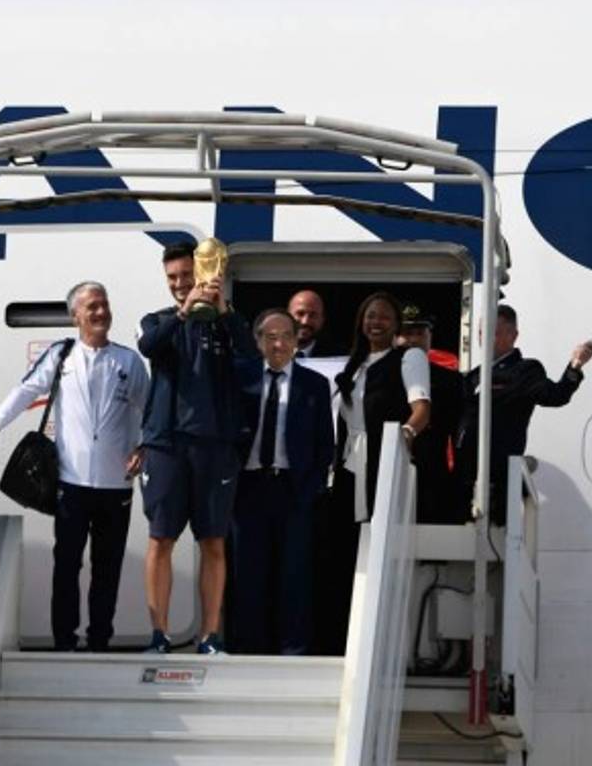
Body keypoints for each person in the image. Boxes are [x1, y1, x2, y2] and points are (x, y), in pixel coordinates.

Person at [0, 281, 149, 652]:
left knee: (107, 569)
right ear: (76, 315)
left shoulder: (129, 361)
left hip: (116, 485)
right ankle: (64, 641)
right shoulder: (62, 355)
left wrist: (145, 445)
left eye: (104, 304)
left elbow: (150, 410)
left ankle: (100, 641)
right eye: (92, 307)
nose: (101, 312)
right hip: (71, 483)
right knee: (67, 565)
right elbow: (26, 390)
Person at [137, 241, 256, 655]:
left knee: (214, 542)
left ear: (203, 272)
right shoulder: (159, 320)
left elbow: (253, 360)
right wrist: (186, 310)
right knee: (161, 539)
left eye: (187, 275)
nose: (180, 284)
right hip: (166, 446)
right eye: (172, 278)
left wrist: (222, 310)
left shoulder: (227, 322)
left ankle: (208, 635)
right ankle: (159, 634)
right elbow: (148, 347)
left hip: (216, 447)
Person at [313, 291, 431, 656]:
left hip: (382, 464)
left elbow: (421, 409)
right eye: (369, 317)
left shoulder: (407, 357)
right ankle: (338, 639)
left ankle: (377, 642)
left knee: (376, 551)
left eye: (382, 317)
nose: (375, 323)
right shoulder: (355, 363)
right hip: (348, 468)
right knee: (341, 552)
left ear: (395, 323)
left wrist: (405, 437)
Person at [231, 309, 334, 655]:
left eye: (286, 336)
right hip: (248, 488)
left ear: (295, 340)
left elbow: (325, 444)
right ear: (258, 341)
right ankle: (248, 648)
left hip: (294, 489)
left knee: (295, 573)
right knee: (248, 571)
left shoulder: (315, 385)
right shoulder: (240, 378)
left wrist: (313, 487)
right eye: (270, 336)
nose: (279, 343)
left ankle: (294, 648)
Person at [456, 304, 592, 524]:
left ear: (514, 335)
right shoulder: (472, 376)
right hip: (464, 475)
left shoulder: (524, 371)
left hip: (497, 477)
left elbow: (555, 396)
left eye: (495, 331)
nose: (485, 338)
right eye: (482, 332)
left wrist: (575, 365)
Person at [396, 305, 465, 524]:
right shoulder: (381, 373)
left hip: (433, 468)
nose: (414, 340)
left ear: (430, 336)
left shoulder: (451, 380)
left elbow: (457, 430)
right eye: (407, 333)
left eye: (420, 333)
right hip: (390, 463)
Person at [287, 289, 330, 358]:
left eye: (313, 315)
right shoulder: (266, 353)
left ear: (322, 320)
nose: (305, 321)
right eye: (300, 314)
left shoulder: (340, 357)